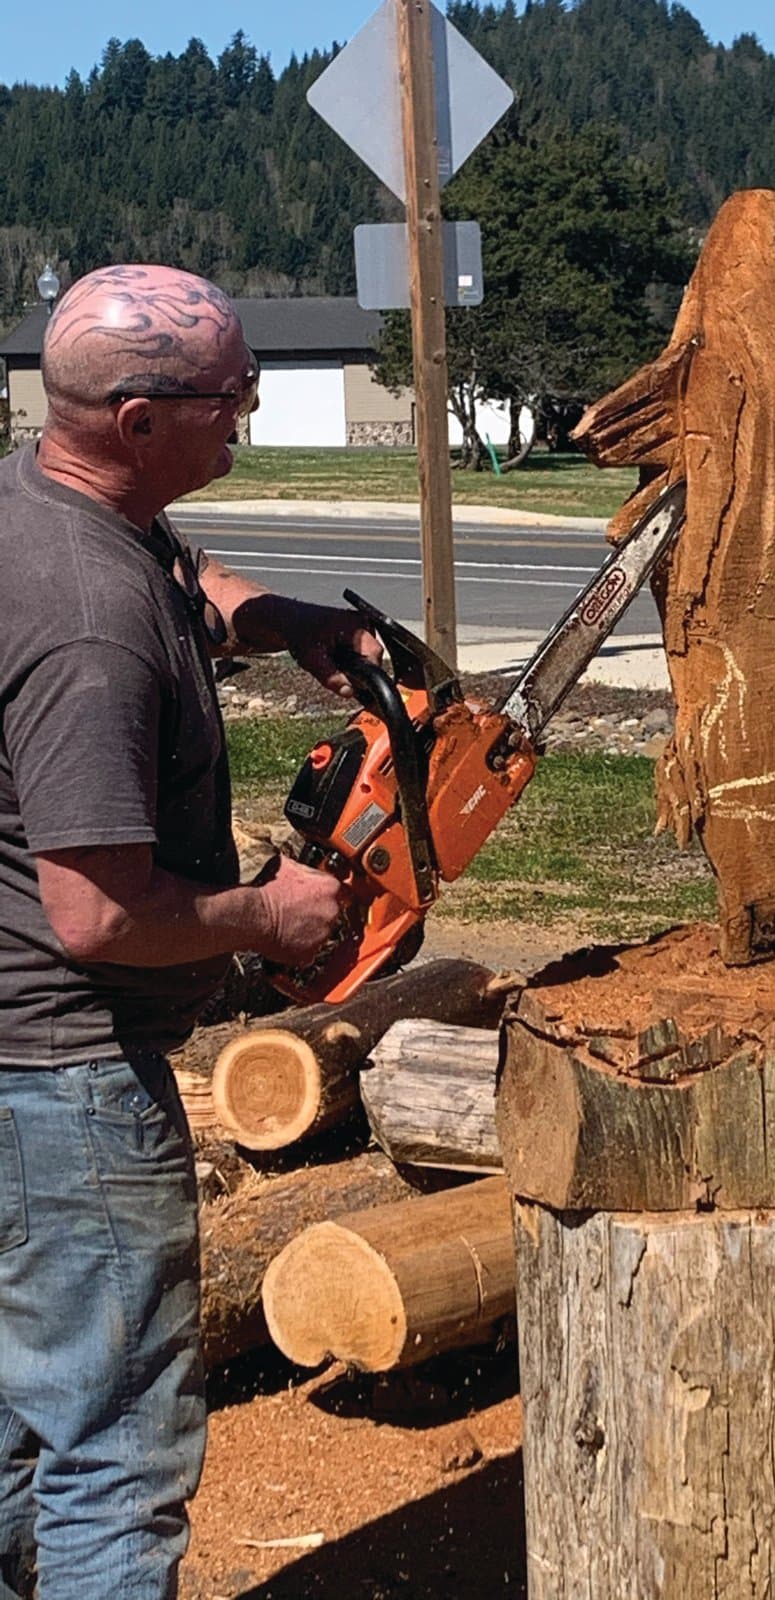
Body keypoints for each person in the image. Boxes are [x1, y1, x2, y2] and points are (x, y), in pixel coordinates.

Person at [0, 263, 386, 1599]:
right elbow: (97, 913)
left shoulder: (40, 499)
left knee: (12, 1430)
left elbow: (168, 557)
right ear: (142, 417)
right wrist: (269, 915)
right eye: (233, 397)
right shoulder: (91, 630)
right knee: (114, 1453)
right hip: (62, 1083)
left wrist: (275, 619)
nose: (250, 415)